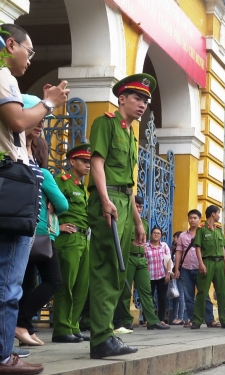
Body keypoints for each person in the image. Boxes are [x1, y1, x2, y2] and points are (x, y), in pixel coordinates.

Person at [0, 23, 69, 375]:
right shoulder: (4, 77)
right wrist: (47, 102)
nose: (30, 58)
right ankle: (2, 353)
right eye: (29, 50)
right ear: (10, 44)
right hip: (14, 203)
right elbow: (17, 118)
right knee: (10, 282)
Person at [87, 73, 157, 358]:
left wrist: (139, 222)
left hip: (125, 203)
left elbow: (130, 182)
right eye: (137, 98)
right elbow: (97, 162)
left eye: (145, 100)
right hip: (109, 199)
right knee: (106, 265)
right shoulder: (106, 123)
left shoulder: (129, 132)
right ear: (122, 99)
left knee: (120, 268)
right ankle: (101, 338)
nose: (142, 104)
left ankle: (106, 332)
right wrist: (104, 199)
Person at [17, 111, 68, 346]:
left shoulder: (22, 169)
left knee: (27, 283)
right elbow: (63, 204)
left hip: (23, 230)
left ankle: (25, 328)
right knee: (53, 281)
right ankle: (22, 321)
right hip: (41, 235)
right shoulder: (44, 174)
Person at [51, 142, 91, 342]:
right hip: (68, 239)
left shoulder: (81, 186)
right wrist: (57, 228)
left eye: (89, 162)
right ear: (72, 161)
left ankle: (73, 325)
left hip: (84, 238)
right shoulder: (62, 181)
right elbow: (48, 207)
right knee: (66, 284)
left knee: (81, 285)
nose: (88, 165)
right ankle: (61, 328)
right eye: (83, 161)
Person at [114, 195, 168, 332]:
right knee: (126, 291)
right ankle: (126, 321)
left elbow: (146, 242)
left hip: (142, 259)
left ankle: (152, 320)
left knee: (146, 290)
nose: (138, 209)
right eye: (136, 206)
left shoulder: (143, 223)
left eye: (140, 207)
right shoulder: (125, 219)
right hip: (128, 257)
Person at [191, 205, 225, 329]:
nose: (219, 216)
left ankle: (224, 320)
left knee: (222, 292)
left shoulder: (219, 230)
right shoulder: (202, 230)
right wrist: (201, 263)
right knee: (202, 292)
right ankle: (197, 321)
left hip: (220, 263)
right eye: (218, 213)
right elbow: (198, 247)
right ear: (212, 214)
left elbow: (222, 248)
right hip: (207, 262)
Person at [173, 209, 215, 328]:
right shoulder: (182, 235)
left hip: (200, 268)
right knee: (188, 296)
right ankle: (193, 319)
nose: (192, 220)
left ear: (200, 219)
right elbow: (179, 252)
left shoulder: (205, 232)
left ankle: (210, 320)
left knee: (204, 294)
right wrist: (177, 269)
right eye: (190, 218)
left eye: (195, 218)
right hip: (186, 268)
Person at [146, 227, 172, 326]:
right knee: (148, 298)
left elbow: (168, 260)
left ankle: (161, 319)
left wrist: (168, 273)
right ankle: (147, 319)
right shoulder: (146, 246)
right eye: (154, 233)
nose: (156, 235)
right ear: (151, 234)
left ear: (161, 235)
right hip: (149, 275)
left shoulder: (164, 246)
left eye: (158, 233)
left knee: (162, 298)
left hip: (162, 275)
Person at [169, 231, 186, 325]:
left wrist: (177, 270)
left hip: (180, 273)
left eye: (176, 237)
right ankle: (174, 317)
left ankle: (181, 317)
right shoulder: (173, 249)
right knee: (175, 296)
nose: (174, 239)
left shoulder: (182, 249)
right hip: (173, 274)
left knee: (180, 296)